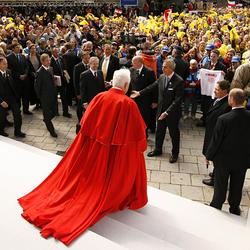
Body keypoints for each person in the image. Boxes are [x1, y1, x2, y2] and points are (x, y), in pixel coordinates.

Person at [18, 68, 148, 245]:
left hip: (92, 150)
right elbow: (138, 136)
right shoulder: (128, 104)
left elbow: (85, 124)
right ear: (126, 85)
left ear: (112, 82)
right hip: (111, 154)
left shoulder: (99, 97)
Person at [205, 88, 250, 215]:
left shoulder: (224, 119)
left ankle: (216, 205)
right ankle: (234, 207)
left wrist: (208, 155)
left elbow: (216, 140)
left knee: (220, 184)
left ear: (232, 100)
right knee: (238, 184)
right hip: (242, 159)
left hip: (224, 159)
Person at [131, 58, 184, 163]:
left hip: (171, 113)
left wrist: (167, 112)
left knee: (174, 133)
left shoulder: (179, 81)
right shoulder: (162, 77)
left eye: (165, 67)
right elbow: (152, 86)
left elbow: (178, 100)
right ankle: (158, 149)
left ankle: (175, 153)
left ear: (171, 68)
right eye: (163, 66)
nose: (162, 68)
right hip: (160, 110)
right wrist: (140, 93)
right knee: (159, 131)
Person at [202, 80, 231, 186]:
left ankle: (215, 180)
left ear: (225, 91)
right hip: (212, 132)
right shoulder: (219, 100)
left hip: (217, 136)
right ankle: (215, 173)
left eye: (217, 89)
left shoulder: (227, 105)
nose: (214, 91)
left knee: (217, 157)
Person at [129, 56, 156, 134]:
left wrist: (154, 101)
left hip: (145, 100)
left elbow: (153, 87)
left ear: (139, 63)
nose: (132, 64)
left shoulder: (149, 72)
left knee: (144, 118)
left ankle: (144, 134)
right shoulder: (131, 70)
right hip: (133, 99)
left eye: (133, 62)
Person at [0, 56, 25, 138]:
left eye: (6, 63)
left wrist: (17, 97)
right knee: (2, 117)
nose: (6, 65)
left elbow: (13, 85)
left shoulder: (9, 72)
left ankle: (17, 131)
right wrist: (1, 102)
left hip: (12, 98)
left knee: (18, 115)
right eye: (4, 64)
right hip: (2, 100)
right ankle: (1, 131)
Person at [35, 53, 57, 137]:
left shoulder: (50, 69)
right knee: (47, 115)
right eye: (47, 60)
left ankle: (46, 120)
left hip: (52, 95)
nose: (49, 61)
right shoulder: (39, 72)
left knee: (54, 113)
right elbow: (37, 86)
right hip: (44, 97)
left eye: (49, 60)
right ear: (42, 62)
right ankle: (51, 130)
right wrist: (40, 98)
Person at [7, 43, 32, 115]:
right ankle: (18, 111)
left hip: (25, 80)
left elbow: (27, 66)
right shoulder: (9, 57)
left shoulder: (22, 56)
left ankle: (26, 110)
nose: (19, 48)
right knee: (17, 97)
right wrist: (19, 76)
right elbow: (10, 70)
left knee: (26, 96)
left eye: (19, 47)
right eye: (17, 47)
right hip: (16, 81)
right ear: (13, 49)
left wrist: (25, 74)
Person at [50, 47, 72, 118]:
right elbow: (49, 71)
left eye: (58, 52)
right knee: (54, 97)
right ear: (53, 53)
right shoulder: (50, 60)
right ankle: (55, 112)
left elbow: (64, 67)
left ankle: (65, 112)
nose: (57, 53)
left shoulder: (61, 59)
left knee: (64, 97)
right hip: (55, 82)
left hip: (62, 81)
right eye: (56, 52)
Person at [73, 51, 90, 122]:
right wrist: (77, 93)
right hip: (80, 91)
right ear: (82, 58)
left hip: (88, 91)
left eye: (88, 58)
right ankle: (80, 120)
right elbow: (75, 81)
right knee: (80, 107)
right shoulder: (77, 67)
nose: (87, 60)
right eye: (85, 58)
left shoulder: (90, 66)